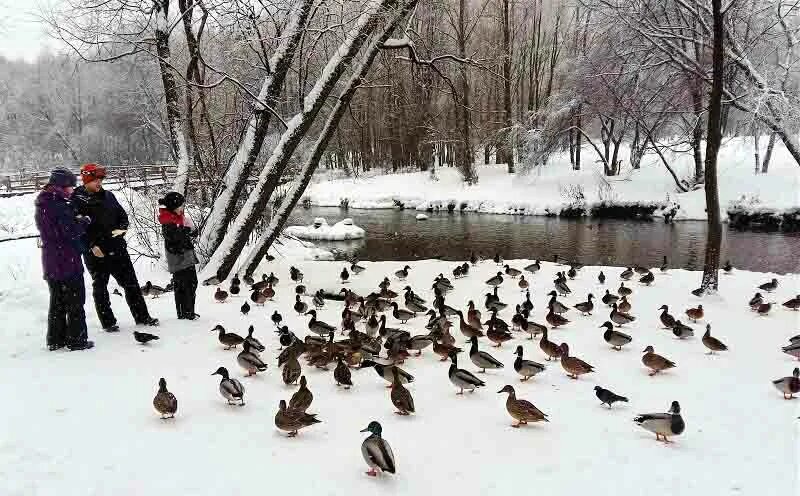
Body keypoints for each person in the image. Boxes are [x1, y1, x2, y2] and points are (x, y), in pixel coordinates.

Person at [72, 163, 158, 332]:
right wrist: (90, 246)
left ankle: (142, 317)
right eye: (95, 180)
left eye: (101, 180)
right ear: (86, 180)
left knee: (131, 284)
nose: (99, 183)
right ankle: (108, 322)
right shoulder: (77, 200)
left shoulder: (109, 196)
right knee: (101, 287)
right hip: (96, 252)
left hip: (117, 247)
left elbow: (122, 216)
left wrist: (122, 229)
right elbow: (76, 229)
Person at [34, 167, 94, 351]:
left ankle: (55, 339)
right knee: (75, 301)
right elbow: (69, 231)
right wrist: (83, 221)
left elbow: (55, 232)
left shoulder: (45, 203)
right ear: (60, 186)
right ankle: (77, 340)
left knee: (57, 302)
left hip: (52, 261)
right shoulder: (58, 205)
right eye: (69, 186)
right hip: (66, 260)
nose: (72, 190)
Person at [158, 192, 199, 320]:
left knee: (191, 284)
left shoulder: (178, 218)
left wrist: (192, 230)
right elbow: (174, 238)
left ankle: (189, 311)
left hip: (186, 256)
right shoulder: (168, 220)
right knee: (183, 285)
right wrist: (186, 230)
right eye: (181, 206)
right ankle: (184, 313)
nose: (182, 208)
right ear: (173, 206)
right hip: (178, 259)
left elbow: (188, 233)